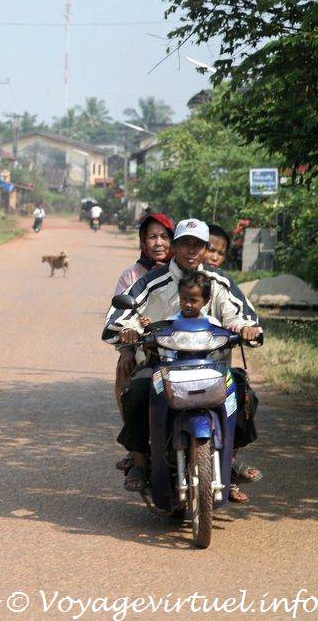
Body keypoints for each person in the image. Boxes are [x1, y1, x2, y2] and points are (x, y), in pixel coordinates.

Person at [103, 218, 262, 497]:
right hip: (161, 365)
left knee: (242, 390)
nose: (191, 250)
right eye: (185, 243)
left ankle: (230, 459)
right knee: (137, 391)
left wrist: (245, 328)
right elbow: (119, 318)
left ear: (205, 249)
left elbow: (239, 315)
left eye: (197, 245)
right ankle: (139, 461)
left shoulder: (219, 281)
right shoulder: (152, 281)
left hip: (211, 366)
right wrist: (128, 329)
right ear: (174, 247)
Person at [111, 213, 175, 473]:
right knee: (126, 371)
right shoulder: (132, 276)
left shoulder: (183, 271)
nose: (158, 243)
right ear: (142, 241)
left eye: (164, 236)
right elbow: (120, 316)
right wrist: (127, 347)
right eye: (152, 237)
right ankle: (136, 446)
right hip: (145, 348)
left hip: (183, 347)